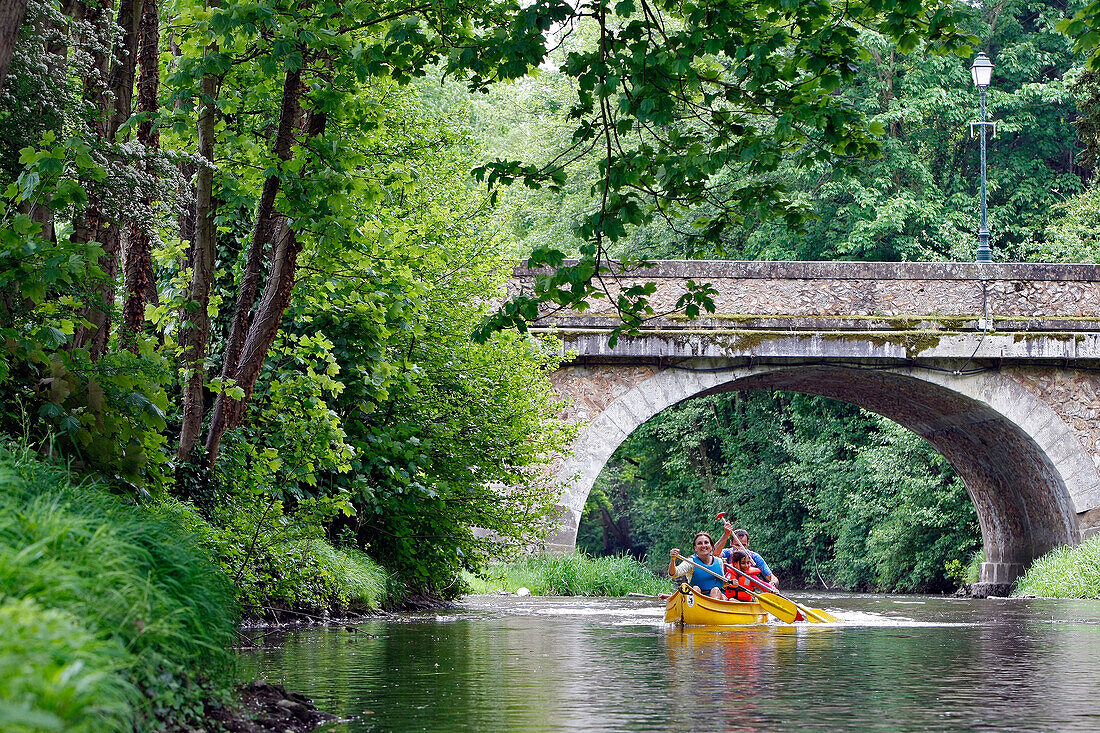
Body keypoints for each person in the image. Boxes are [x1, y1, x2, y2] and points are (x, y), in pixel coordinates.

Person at [715, 522, 779, 588]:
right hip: (727, 593)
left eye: (743, 545)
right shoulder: (726, 553)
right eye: (737, 545)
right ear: (731, 543)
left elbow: (772, 577)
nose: (740, 549)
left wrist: (773, 583)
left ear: (748, 544)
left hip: (747, 594)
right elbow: (714, 554)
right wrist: (726, 535)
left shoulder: (755, 557)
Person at [668, 531, 726, 599]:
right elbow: (673, 574)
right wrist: (673, 560)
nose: (703, 546)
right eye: (699, 543)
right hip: (697, 599)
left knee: (715, 590)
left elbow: (722, 583)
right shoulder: (691, 562)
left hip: (717, 597)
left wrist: (732, 584)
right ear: (695, 548)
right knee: (695, 588)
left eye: (706, 542)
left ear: (711, 546)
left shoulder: (719, 561)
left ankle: (714, 607)